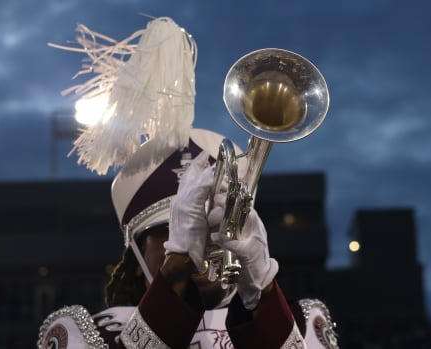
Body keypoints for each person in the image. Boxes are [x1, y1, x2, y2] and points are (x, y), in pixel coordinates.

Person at [39, 17, 339, 349]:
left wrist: (263, 297)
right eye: (174, 230)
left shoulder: (297, 322)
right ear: (136, 260)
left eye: (213, 225)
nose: (208, 245)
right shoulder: (89, 332)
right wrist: (173, 278)